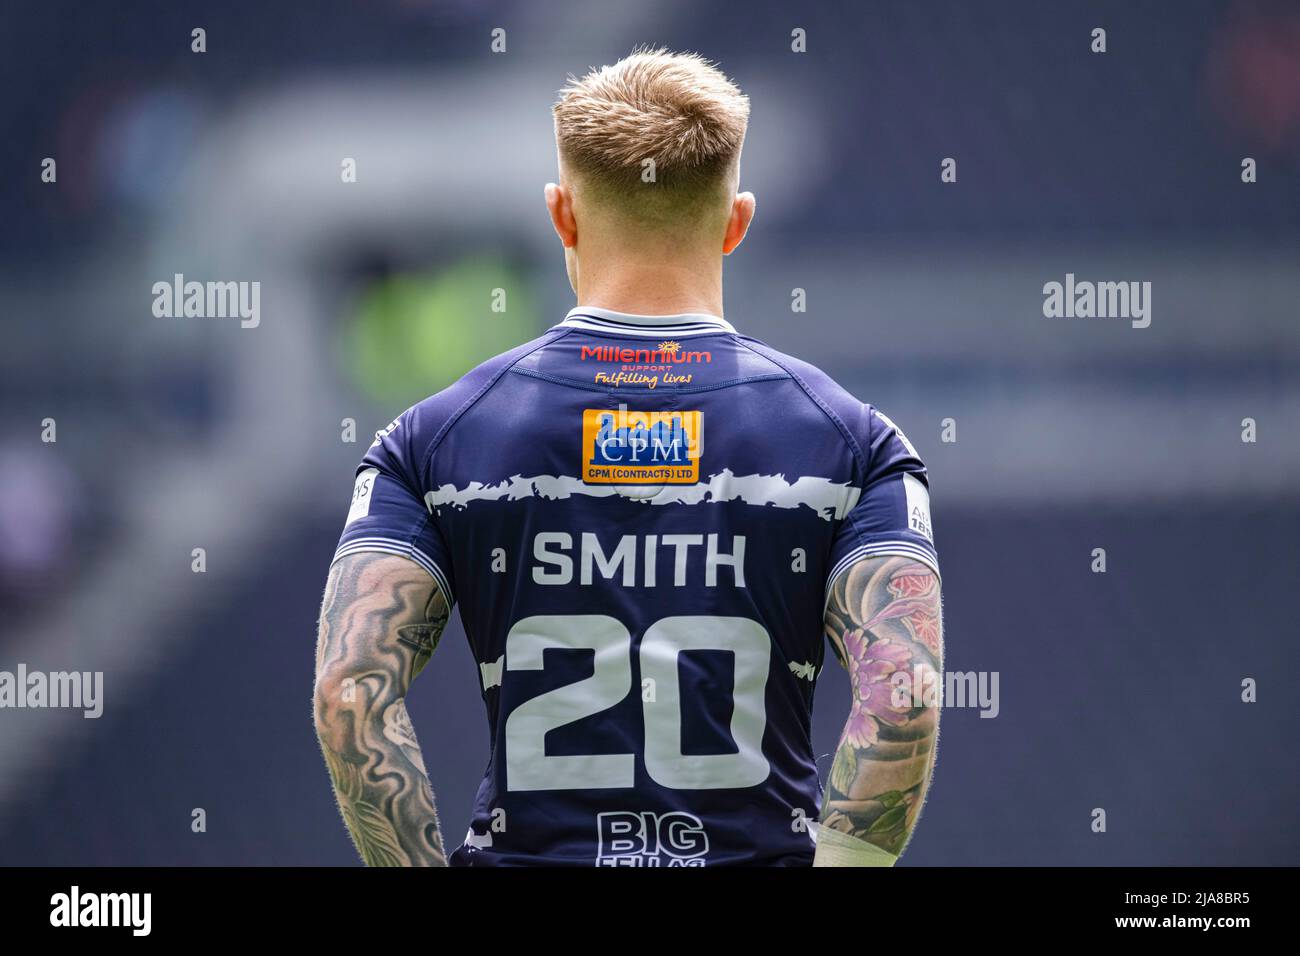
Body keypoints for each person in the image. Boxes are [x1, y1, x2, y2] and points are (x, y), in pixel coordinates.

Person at [313, 48, 943, 867]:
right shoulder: (855, 443)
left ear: (561, 215)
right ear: (736, 221)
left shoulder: (428, 441)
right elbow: (904, 699)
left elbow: (349, 693)